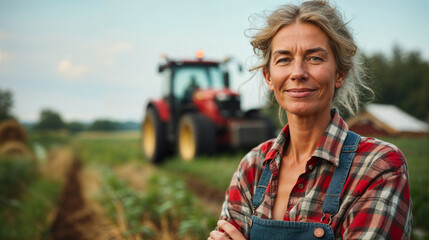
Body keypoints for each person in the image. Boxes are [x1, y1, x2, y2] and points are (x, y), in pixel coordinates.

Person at [208, 1, 412, 239]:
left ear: (339, 74)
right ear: (269, 77)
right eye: (283, 59)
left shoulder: (379, 166)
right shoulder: (252, 167)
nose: (298, 72)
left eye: (314, 58)